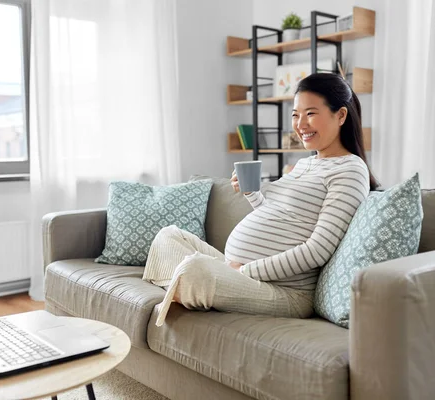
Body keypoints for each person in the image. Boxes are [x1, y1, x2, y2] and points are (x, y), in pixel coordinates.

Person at [142, 73, 378, 327]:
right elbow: (279, 215)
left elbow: (317, 250)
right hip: (243, 272)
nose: (300, 124)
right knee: (168, 237)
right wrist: (252, 194)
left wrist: (243, 271)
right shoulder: (305, 163)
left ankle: (192, 283)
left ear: (341, 115)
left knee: (194, 272)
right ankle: (197, 285)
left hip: (286, 292)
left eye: (310, 113)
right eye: (295, 115)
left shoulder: (350, 170)